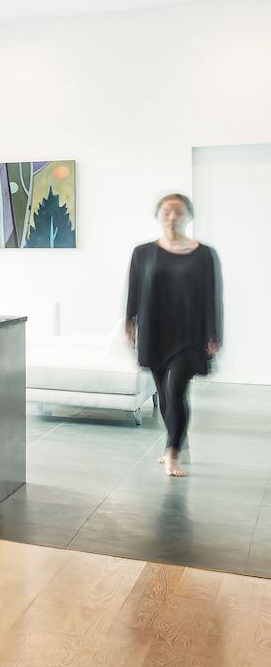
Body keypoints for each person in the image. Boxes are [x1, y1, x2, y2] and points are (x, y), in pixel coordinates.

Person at [124, 192, 222, 476]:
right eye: (167, 211)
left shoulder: (204, 254)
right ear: (158, 215)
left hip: (189, 333)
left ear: (188, 216)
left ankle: (172, 453)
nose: (172, 216)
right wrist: (130, 321)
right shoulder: (143, 252)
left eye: (178, 211)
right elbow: (134, 289)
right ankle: (181, 440)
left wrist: (213, 332)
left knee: (176, 389)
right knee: (165, 395)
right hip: (155, 330)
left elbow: (211, 296)